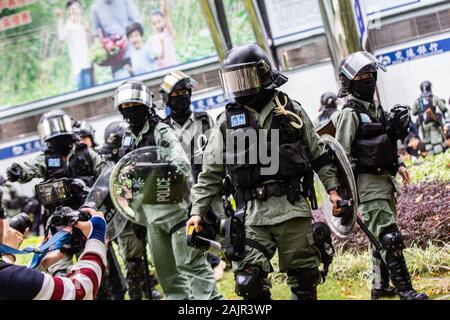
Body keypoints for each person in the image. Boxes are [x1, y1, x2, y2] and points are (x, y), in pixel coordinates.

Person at [187, 44, 344, 300]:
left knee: (305, 279)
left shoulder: (291, 110)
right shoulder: (227, 122)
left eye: (244, 77)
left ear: (263, 74)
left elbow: (319, 155)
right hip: (251, 216)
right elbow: (210, 174)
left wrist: (334, 192)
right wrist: (197, 212)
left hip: (291, 208)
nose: (239, 85)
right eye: (233, 79)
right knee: (249, 282)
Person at [114, 80, 221, 300]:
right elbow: (123, 173)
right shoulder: (128, 138)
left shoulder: (160, 129)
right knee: (167, 275)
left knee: (191, 265)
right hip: (150, 217)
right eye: (125, 106)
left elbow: (181, 163)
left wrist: (156, 171)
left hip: (176, 211)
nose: (130, 109)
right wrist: (135, 214)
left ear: (145, 104)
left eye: (134, 103)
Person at [335, 51, 428, 300]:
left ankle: (379, 287)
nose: (368, 79)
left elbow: (383, 142)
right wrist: (344, 198)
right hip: (367, 186)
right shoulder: (350, 114)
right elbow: (340, 157)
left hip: (385, 182)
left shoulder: (375, 109)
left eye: (371, 74)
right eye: (362, 75)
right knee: (390, 237)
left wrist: (398, 164)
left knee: (380, 238)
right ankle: (405, 290)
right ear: (349, 82)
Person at [6, 110, 105, 275]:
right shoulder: (45, 158)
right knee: (60, 273)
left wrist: (86, 187)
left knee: (93, 269)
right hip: (58, 225)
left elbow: (105, 178)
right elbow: (29, 168)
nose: (56, 131)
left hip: (87, 220)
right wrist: (18, 171)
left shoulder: (87, 154)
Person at [160, 71, 226, 281]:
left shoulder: (204, 119)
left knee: (222, 222)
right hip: (180, 191)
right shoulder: (163, 128)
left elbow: (220, 148)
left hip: (208, 183)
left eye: (184, 92)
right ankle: (207, 265)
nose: (181, 96)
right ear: (167, 99)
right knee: (191, 230)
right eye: (176, 93)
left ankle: (231, 257)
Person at [98, 121, 161, 300]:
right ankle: (137, 293)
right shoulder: (104, 161)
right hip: (122, 215)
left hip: (144, 209)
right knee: (133, 260)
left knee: (153, 253)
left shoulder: (137, 153)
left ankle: (149, 287)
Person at [0, 205, 107, 300]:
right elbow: (80, 291)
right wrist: (96, 236)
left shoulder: (9, 278)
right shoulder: (11, 279)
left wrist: (8, 255)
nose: (5, 222)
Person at [91, 0, 142, 79]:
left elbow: (137, 22)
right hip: (114, 56)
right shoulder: (95, 8)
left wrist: (130, 38)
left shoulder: (125, 2)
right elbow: (96, 34)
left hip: (132, 52)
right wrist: (100, 51)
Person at [56, 0, 94, 90]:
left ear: (81, 10)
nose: (74, 11)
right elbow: (62, 37)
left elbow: (92, 39)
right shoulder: (68, 26)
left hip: (89, 64)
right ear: (68, 12)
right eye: (71, 9)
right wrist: (59, 19)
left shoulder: (84, 24)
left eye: (76, 8)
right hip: (78, 67)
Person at [412, 81, 448, 155]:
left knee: (428, 144)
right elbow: (443, 108)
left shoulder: (418, 100)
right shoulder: (434, 97)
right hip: (433, 123)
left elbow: (414, 112)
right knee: (437, 143)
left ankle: (432, 161)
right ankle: (440, 160)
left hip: (423, 125)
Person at [149, 0, 178, 70]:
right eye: (154, 23)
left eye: (159, 21)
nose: (157, 25)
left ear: (164, 20)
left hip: (173, 68)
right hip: (161, 71)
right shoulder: (152, 39)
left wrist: (164, 2)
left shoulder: (168, 33)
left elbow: (165, 13)